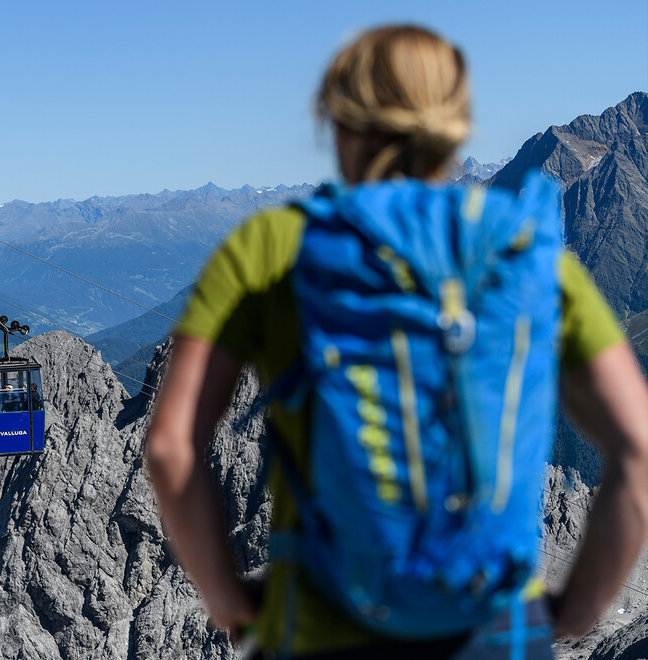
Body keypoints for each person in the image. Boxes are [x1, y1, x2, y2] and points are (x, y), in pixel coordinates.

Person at [145, 24, 648, 659]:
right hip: (498, 636)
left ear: (337, 120)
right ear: (455, 124)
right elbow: (639, 449)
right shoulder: (524, 249)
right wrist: (577, 607)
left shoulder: (272, 248)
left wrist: (228, 600)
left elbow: (169, 447)